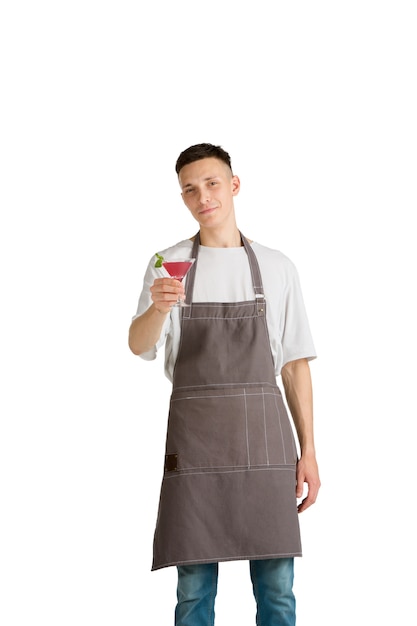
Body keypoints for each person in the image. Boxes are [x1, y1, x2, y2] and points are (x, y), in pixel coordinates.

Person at [128, 143, 320, 626]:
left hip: (266, 444)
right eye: (189, 189)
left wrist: (310, 450)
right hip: (196, 449)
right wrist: (158, 307)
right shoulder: (167, 263)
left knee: (277, 590)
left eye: (212, 183)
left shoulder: (277, 267)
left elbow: (295, 365)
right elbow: (138, 345)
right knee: (193, 593)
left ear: (234, 185)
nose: (202, 196)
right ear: (183, 198)